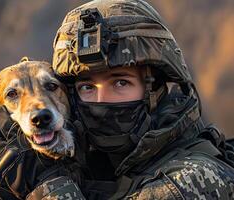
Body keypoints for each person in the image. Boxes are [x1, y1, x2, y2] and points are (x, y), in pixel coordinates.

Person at [51, 0, 234, 199]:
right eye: (87, 87)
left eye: (120, 83)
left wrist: (46, 184)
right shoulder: (99, 165)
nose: (100, 101)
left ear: (154, 88)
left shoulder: (194, 178)